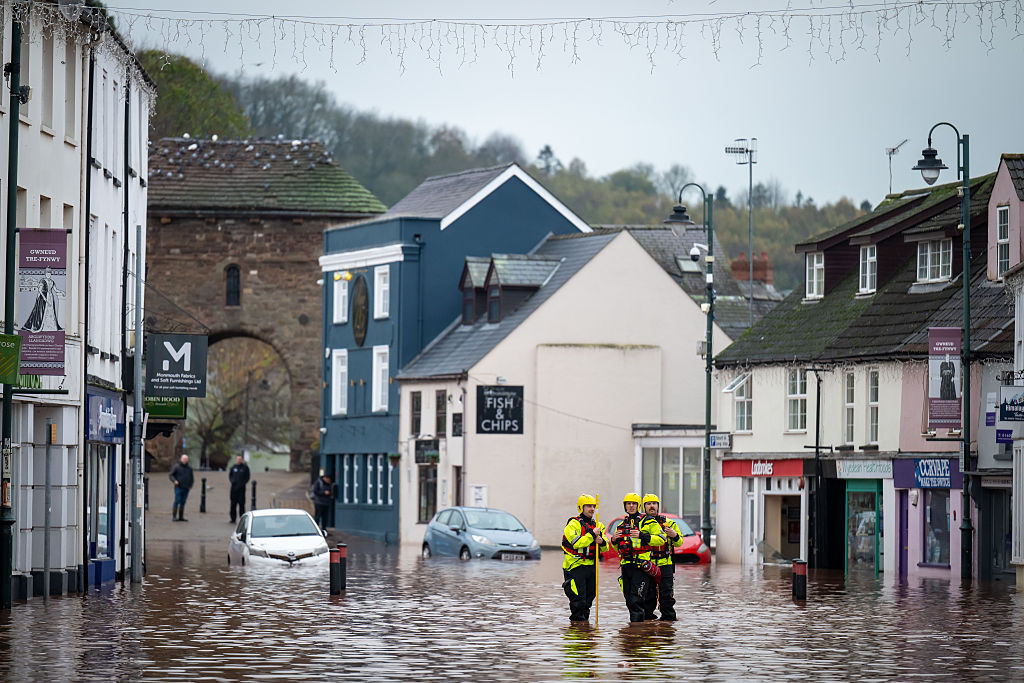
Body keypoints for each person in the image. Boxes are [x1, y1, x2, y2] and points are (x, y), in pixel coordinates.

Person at [611, 492, 665, 623]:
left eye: (634, 504)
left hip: (641, 566)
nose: (631, 506)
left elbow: (661, 539)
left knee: (637, 599)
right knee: (629, 599)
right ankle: (634, 633)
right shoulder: (622, 525)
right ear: (625, 506)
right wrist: (613, 540)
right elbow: (618, 549)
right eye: (628, 504)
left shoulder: (648, 521)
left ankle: (637, 633)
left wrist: (643, 536)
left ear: (638, 505)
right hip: (626, 566)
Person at [561, 493, 608, 623]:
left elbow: (605, 549)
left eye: (593, 506)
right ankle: (577, 632)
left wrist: (601, 542)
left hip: (591, 566)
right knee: (578, 601)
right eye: (588, 506)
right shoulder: (573, 524)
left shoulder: (598, 525)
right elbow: (577, 543)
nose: (592, 509)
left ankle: (585, 632)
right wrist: (592, 534)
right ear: (581, 507)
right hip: (575, 566)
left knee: (588, 599)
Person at [641, 493, 684, 621]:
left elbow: (679, 542)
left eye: (654, 503)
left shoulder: (669, 523)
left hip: (665, 563)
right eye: (648, 504)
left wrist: (674, 535)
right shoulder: (641, 524)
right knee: (648, 595)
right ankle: (648, 622)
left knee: (666, 595)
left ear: (658, 506)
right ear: (644, 507)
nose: (652, 506)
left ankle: (668, 621)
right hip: (648, 564)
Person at [169, 454, 194, 522]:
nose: (185, 460)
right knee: (177, 501)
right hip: (178, 487)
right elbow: (171, 475)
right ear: (181, 459)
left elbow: (191, 478)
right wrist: (174, 481)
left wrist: (190, 485)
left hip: (186, 488)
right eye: (184, 459)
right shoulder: (176, 467)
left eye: (186, 459)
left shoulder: (189, 468)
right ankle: (174, 516)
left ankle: (181, 516)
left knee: (183, 502)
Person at [228, 454, 251, 523]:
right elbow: (230, 476)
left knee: (241, 504)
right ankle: (233, 518)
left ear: (242, 460)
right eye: (238, 459)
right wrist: (233, 481)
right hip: (233, 489)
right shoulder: (233, 467)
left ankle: (242, 519)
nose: (239, 460)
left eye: (240, 459)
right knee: (233, 504)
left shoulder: (245, 468)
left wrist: (242, 483)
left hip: (241, 489)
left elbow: (247, 477)